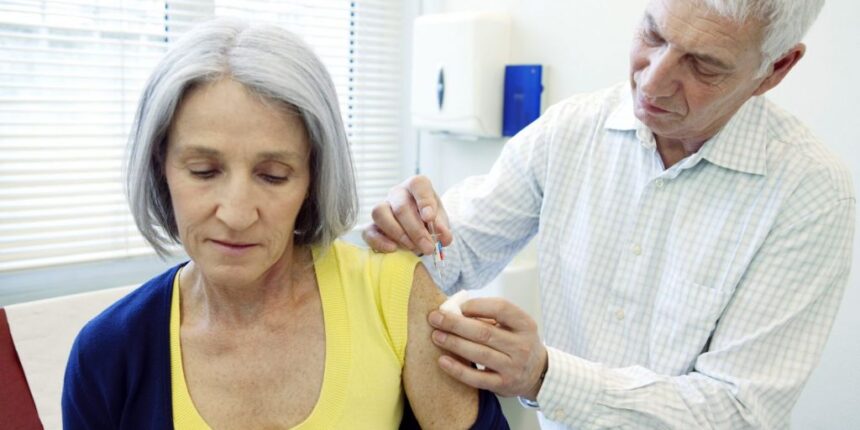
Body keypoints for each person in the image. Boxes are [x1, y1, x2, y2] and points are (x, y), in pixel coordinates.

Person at [364, 0, 855, 428]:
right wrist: (407, 227)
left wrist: (545, 376)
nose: (653, 82)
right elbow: (450, 255)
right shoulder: (570, 131)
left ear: (776, 69)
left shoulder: (810, 193)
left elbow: (738, 412)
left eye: (703, 65)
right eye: (653, 34)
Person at [61, 19, 508, 429]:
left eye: (273, 176)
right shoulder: (107, 355)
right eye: (203, 171)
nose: (237, 215)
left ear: (314, 178)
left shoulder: (394, 296)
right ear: (161, 168)